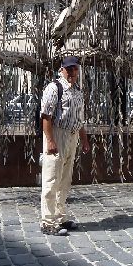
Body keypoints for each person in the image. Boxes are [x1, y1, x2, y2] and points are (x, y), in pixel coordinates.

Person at [40, 55, 90, 236]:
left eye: (75, 69)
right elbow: (46, 116)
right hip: (58, 134)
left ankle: (60, 217)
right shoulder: (54, 88)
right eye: (69, 69)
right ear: (62, 69)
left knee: (65, 180)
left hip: (73, 136)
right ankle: (47, 222)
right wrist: (51, 140)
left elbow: (80, 119)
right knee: (52, 178)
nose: (72, 72)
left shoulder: (78, 91)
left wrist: (84, 139)